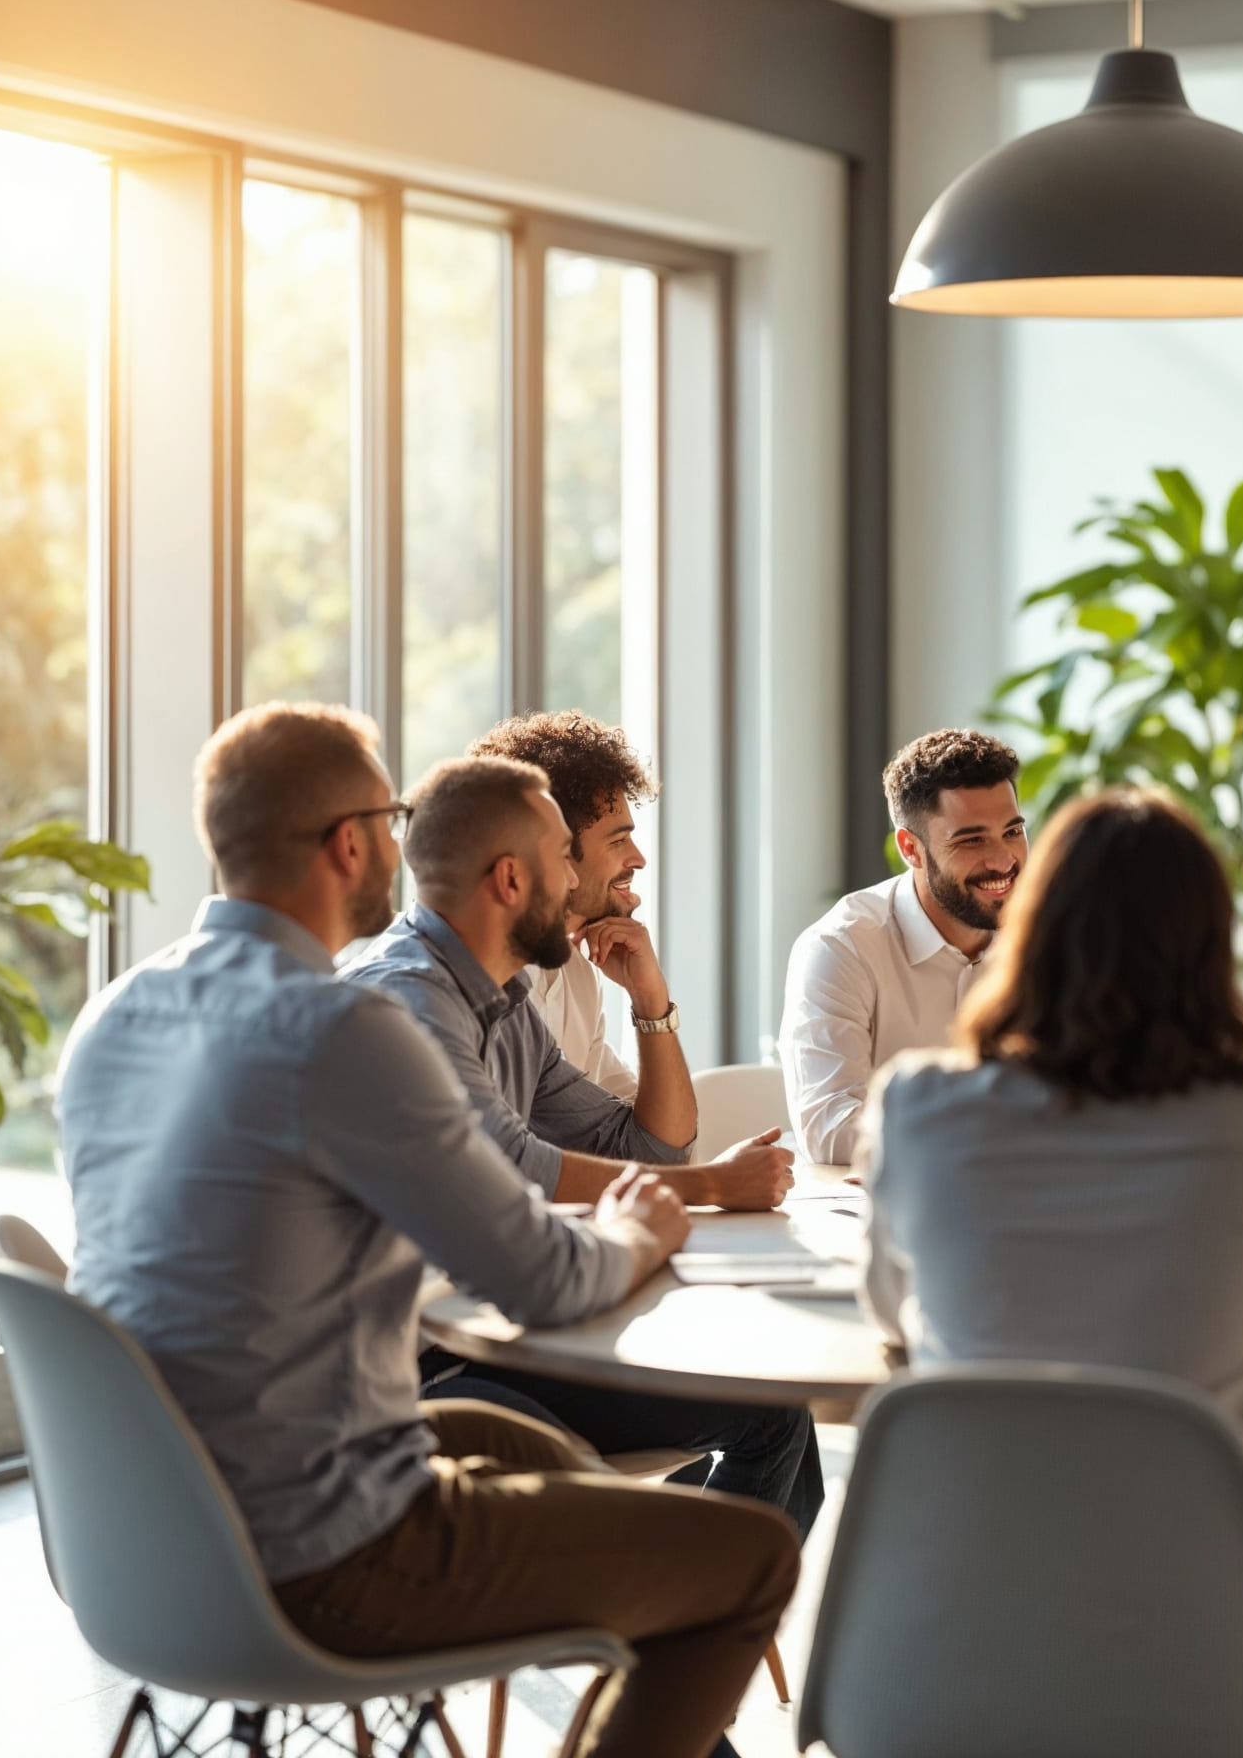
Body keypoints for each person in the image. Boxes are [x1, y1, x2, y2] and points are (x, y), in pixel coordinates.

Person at [58, 704, 797, 1758]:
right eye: (391, 816)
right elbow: (543, 1279)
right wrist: (641, 1228)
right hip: (316, 1554)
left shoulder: (117, 1013)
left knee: (515, 1443)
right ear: (349, 841)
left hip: (144, 1533)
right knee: (751, 1557)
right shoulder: (343, 1029)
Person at [860, 789, 1243, 1758]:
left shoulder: (917, 1107)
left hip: (950, 1631)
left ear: (1033, 928)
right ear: (1208, 943)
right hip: (1218, 1651)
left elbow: (890, 1309)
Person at [345, 756, 822, 1534]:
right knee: (757, 1411)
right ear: (510, 880)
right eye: (568, 856)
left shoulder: (502, 997)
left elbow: (631, 1145)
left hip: (494, 1324)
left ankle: (697, 1614)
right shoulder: (410, 1000)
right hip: (429, 1364)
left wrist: (653, 1008)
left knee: (770, 1409)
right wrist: (710, 1188)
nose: (583, 881)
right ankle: (689, 1617)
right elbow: (511, 1167)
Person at [781, 728, 1026, 1170]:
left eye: (1012, 831)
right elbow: (828, 1126)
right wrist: (986, 1132)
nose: (1003, 860)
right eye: (972, 840)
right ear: (911, 848)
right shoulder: (841, 948)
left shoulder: (1044, 937)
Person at [471, 709, 673, 1103]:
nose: (639, 859)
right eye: (618, 842)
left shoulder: (578, 975)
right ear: (554, 848)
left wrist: (651, 1002)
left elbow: (650, 1140)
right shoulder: (476, 987)